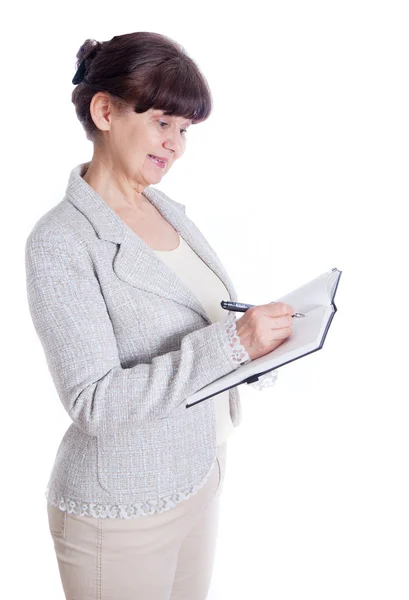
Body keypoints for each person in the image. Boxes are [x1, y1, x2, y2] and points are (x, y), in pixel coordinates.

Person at [25, 31, 294, 600]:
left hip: (198, 474)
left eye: (185, 130)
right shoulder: (61, 241)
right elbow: (93, 400)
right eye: (162, 122)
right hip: (119, 512)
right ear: (105, 111)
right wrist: (233, 345)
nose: (175, 144)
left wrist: (265, 345)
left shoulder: (164, 208)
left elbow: (209, 321)